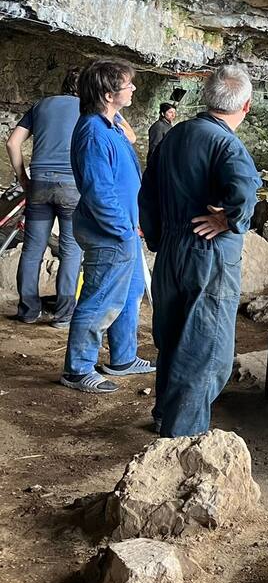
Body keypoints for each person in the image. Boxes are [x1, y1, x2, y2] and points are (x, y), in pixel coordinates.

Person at [139, 65, 259, 436]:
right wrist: (230, 220)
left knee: (174, 337)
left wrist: (160, 239)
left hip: (172, 252)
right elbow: (244, 194)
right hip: (208, 255)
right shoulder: (227, 144)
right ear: (247, 106)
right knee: (205, 353)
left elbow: (148, 194)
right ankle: (180, 439)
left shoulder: (175, 136)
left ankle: (165, 413)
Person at [61, 59, 153, 394]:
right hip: (109, 233)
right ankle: (77, 369)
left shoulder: (109, 124)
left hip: (123, 229)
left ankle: (123, 359)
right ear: (106, 91)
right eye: (127, 84)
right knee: (100, 299)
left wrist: (134, 222)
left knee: (129, 294)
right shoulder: (92, 132)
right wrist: (123, 228)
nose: (132, 88)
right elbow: (99, 192)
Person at [6, 69, 82, 327]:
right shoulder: (90, 108)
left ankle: (28, 311)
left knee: (32, 249)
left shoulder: (41, 105)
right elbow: (127, 137)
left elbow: (12, 142)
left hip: (38, 183)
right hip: (72, 186)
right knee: (71, 250)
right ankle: (63, 316)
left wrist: (22, 178)